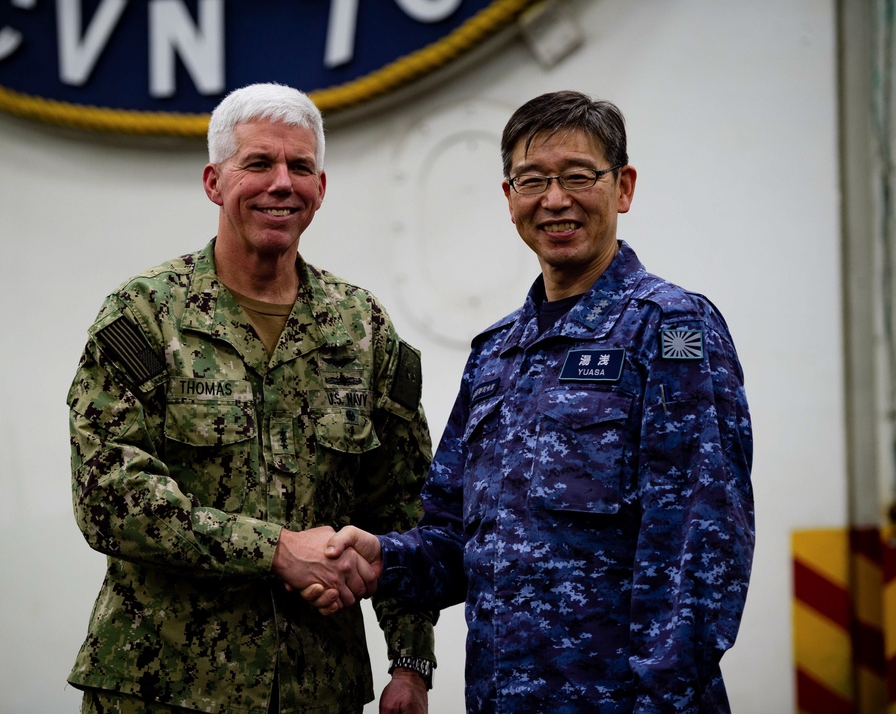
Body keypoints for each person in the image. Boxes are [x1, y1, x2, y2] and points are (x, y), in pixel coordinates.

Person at [306, 90, 755, 712]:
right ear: (508, 198)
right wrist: (381, 559)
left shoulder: (671, 330)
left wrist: (662, 697)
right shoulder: (496, 356)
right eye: (532, 180)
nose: (555, 199)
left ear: (623, 188)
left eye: (578, 176)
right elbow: (452, 540)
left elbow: (701, 548)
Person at [66, 82, 437, 714]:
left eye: (301, 167)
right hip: (162, 687)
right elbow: (109, 497)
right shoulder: (147, 314)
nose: (282, 183)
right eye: (258, 164)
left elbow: (402, 505)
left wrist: (410, 662)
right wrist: (275, 551)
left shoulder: (361, 326)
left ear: (321, 188)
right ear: (214, 181)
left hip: (318, 687)